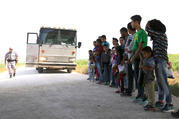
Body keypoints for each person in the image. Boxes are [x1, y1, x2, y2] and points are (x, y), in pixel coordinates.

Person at [146, 19, 174, 112]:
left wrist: (147, 24)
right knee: (160, 83)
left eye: (151, 26)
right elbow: (149, 33)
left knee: (164, 83)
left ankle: (169, 104)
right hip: (159, 61)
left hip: (161, 62)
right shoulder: (158, 36)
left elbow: (148, 30)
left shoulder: (161, 35)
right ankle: (161, 101)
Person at [130, 15, 148, 103]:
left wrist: (134, 57)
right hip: (136, 57)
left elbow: (141, 47)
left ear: (137, 22)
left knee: (141, 78)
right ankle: (139, 95)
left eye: (132, 22)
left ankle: (144, 97)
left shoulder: (142, 33)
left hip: (141, 57)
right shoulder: (136, 33)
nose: (131, 23)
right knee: (137, 77)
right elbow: (135, 46)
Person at [139, 46, 155, 111]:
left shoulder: (151, 59)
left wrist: (142, 66)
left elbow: (151, 68)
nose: (144, 55)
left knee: (151, 92)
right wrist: (141, 59)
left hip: (150, 78)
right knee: (147, 92)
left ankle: (152, 105)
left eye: (145, 54)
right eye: (143, 54)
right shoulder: (145, 59)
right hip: (145, 78)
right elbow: (141, 63)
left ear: (150, 53)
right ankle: (149, 103)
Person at [125, 22, 136, 96]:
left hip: (134, 57)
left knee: (136, 75)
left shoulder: (136, 36)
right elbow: (126, 47)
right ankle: (129, 90)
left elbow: (134, 47)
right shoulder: (129, 37)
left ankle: (140, 93)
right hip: (129, 57)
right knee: (129, 75)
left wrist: (129, 50)